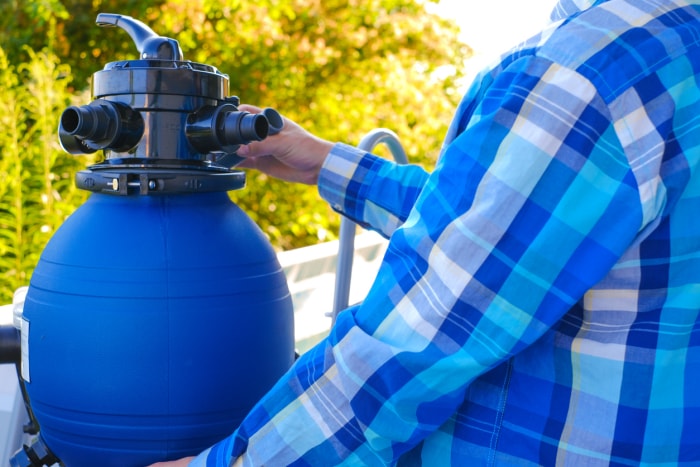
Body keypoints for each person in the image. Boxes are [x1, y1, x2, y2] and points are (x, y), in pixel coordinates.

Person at [151, 0, 700, 465]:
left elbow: (417, 341)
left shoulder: (596, 66)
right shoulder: (680, 43)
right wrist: (326, 165)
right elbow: (518, 234)